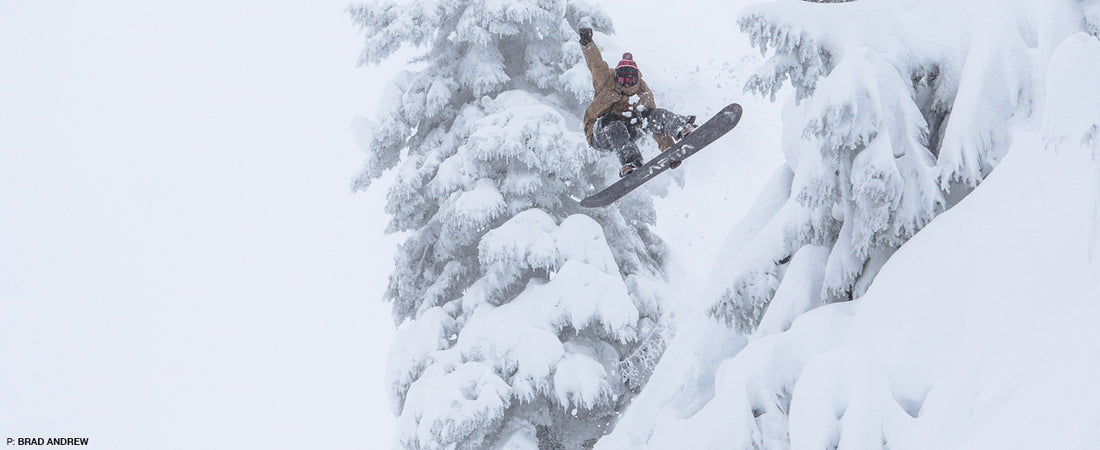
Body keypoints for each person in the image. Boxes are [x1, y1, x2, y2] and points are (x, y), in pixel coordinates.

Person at [578, 27, 696, 177]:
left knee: (652, 114)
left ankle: (681, 128)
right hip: (600, 133)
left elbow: (656, 123)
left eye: (630, 80)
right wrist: (587, 43)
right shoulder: (606, 79)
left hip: (627, 131)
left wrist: (670, 151)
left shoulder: (642, 90)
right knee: (612, 122)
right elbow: (596, 64)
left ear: (637, 79)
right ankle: (631, 161)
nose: (626, 84)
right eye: (622, 79)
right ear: (616, 76)